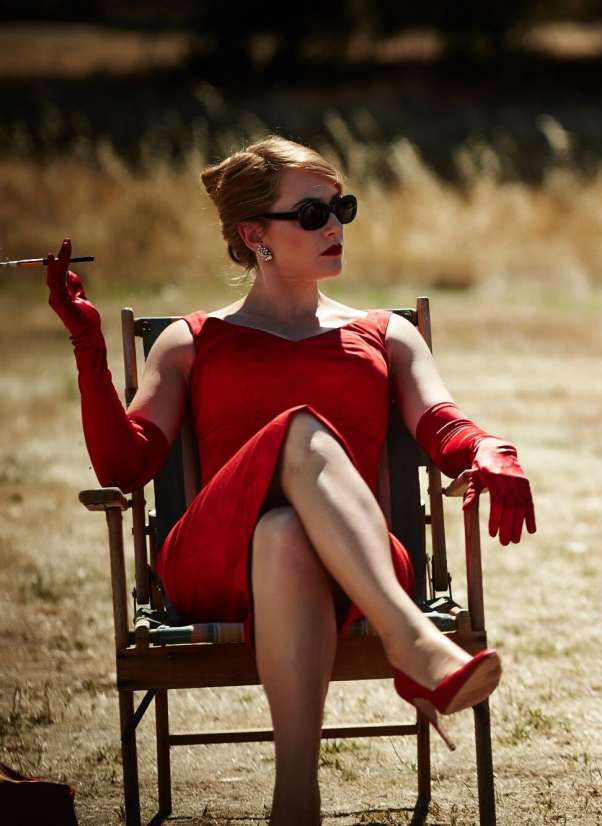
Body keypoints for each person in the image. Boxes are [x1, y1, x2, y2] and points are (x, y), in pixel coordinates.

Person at [45, 135, 536, 825]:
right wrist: (87, 344)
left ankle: (294, 805)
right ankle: (413, 644)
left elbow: (441, 424)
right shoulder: (191, 340)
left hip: (359, 566)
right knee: (300, 431)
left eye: (341, 208)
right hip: (215, 565)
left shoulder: (385, 335)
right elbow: (124, 466)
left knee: (284, 531)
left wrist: (491, 449)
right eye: (312, 214)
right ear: (255, 236)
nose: (334, 226)